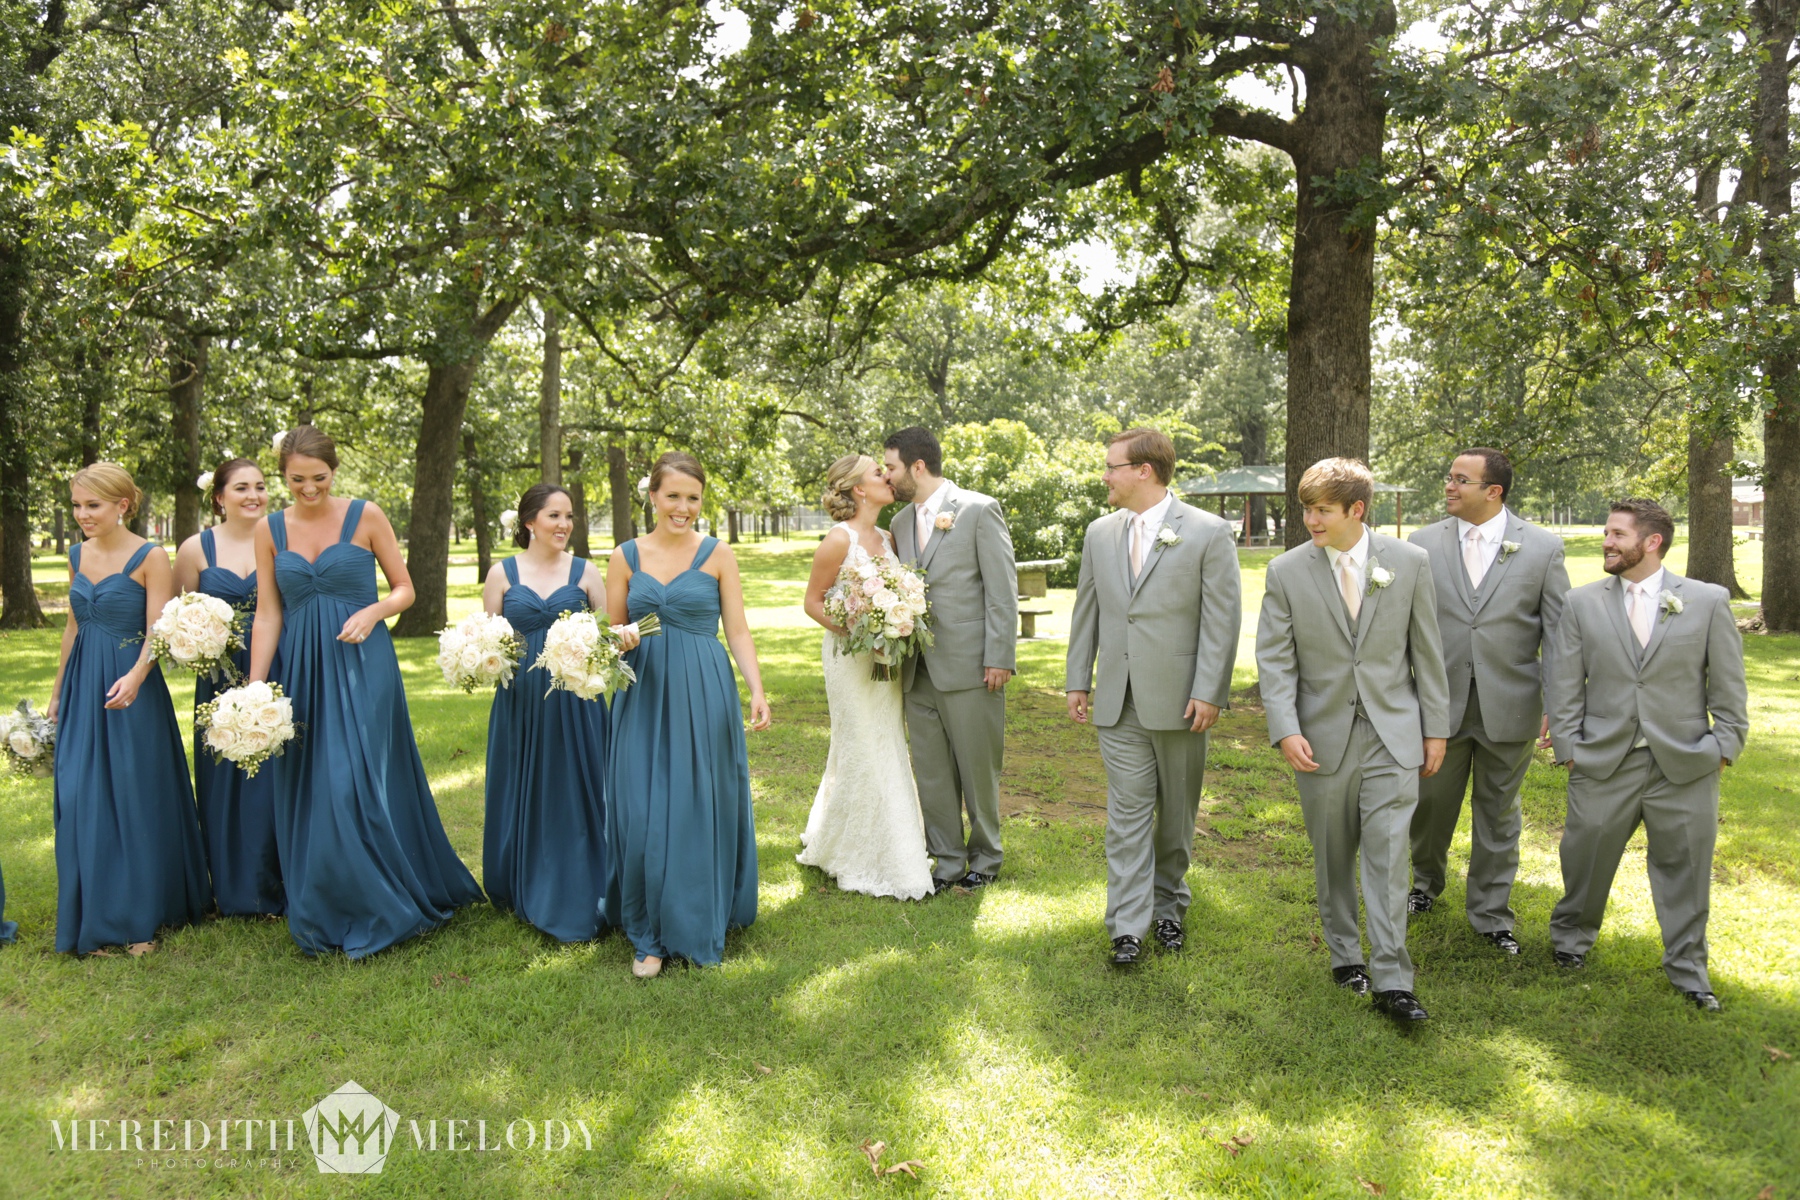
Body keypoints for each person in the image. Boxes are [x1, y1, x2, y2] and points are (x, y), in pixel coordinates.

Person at [248, 425, 483, 957]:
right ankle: (329, 902)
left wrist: (374, 611)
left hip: (362, 662)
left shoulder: (366, 516)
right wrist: (256, 686)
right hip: (301, 668)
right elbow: (268, 613)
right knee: (313, 783)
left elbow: (406, 589)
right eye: (297, 480)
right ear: (283, 476)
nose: (310, 488)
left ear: (334, 470)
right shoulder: (269, 530)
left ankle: (382, 899)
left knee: (354, 778)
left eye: (319, 477)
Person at [1255, 458, 1449, 1023]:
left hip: (1394, 734)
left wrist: (1435, 729)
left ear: (1356, 510)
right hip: (1320, 737)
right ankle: (1345, 956)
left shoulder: (1409, 562)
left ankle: (1393, 979)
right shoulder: (1286, 572)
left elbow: (1427, 653)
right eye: (1307, 510)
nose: (1311, 520)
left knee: (1389, 855)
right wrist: (1286, 728)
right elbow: (1275, 660)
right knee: (1333, 852)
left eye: (1323, 510)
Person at [1546, 499, 1748, 1011]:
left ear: (1651, 542)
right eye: (1607, 533)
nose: (1606, 542)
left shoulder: (1707, 601)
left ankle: (1689, 971)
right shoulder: (1581, 602)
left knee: (1687, 869)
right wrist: (1569, 749)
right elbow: (1564, 683)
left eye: (1617, 534)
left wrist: (1723, 748)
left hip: (1685, 763)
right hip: (1603, 760)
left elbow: (1729, 685)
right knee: (1585, 858)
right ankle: (1570, 942)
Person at [1066, 428, 1241, 966]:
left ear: (1143, 470)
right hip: (1117, 700)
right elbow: (1087, 609)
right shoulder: (1099, 533)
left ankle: (1169, 906)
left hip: (1182, 700)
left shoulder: (1208, 532)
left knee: (1176, 816)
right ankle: (1127, 926)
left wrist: (1210, 690)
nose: (1104, 476)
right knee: (1127, 813)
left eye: (1111, 466)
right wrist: (1078, 679)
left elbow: (1222, 619)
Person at [604, 451, 770, 977]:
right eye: (672, 496)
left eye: (693, 498)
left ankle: (696, 920)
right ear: (652, 496)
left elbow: (737, 629)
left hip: (703, 686)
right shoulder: (625, 556)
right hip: (643, 690)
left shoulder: (718, 554)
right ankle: (648, 933)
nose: (683, 507)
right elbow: (608, 633)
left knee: (699, 801)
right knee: (641, 805)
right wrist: (619, 638)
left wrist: (756, 689)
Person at [1406, 448, 1569, 953]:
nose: (1449, 486)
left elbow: (1559, 634)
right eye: (1450, 476)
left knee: (1499, 813)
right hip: (1439, 704)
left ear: (1493, 491)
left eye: (1462, 479)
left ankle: (1491, 914)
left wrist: (1558, 704)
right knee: (1430, 805)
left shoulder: (1543, 548)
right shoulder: (1422, 544)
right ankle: (1424, 884)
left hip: (1512, 703)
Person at [48, 462, 211, 955]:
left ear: (122, 505)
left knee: (135, 794)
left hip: (130, 685)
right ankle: (97, 914)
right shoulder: (76, 554)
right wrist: (58, 692)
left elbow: (159, 629)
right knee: (82, 795)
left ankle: (142, 917)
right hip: (84, 686)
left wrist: (137, 676)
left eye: (92, 505)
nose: (82, 515)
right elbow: (73, 627)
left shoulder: (150, 555)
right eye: (76, 505)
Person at [481, 483, 638, 941]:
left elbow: (608, 638)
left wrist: (615, 641)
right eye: (554, 516)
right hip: (522, 703)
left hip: (576, 699)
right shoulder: (501, 574)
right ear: (529, 521)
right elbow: (490, 642)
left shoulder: (586, 572)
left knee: (578, 787)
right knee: (524, 784)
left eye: (569, 516)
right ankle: (522, 875)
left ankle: (586, 879)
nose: (564, 524)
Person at [882, 426, 1018, 892]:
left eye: (891, 467)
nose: (886, 475)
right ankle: (947, 860)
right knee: (932, 770)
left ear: (917, 466)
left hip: (972, 664)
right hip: (916, 666)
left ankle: (986, 858)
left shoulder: (979, 510)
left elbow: (1002, 591)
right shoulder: (901, 522)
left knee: (978, 769)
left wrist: (1000, 655)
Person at [797, 454, 934, 901]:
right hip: (849, 660)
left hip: (886, 659)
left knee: (886, 738)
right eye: (878, 473)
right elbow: (813, 602)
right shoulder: (839, 539)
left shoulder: (889, 536)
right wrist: (859, 634)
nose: (888, 477)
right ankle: (866, 851)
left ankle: (877, 836)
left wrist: (894, 627)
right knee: (860, 743)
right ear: (858, 488)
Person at [173, 458, 285, 917]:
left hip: (279, 662)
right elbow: (176, 617)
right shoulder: (194, 549)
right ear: (219, 498)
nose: (253, 495)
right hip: (219, 676)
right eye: (241, 488)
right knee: (227, 774)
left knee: (277, 771)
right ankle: (235, 887)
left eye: (260, 486)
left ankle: (283, 881)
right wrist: (197, 643)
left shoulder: (282, 536)